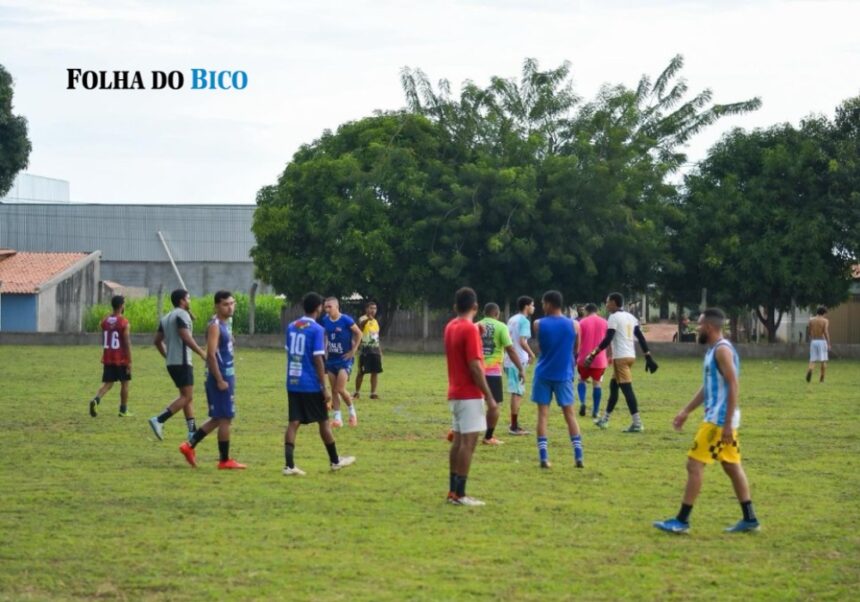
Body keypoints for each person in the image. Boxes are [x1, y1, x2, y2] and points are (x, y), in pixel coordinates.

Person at [653, 308, 760, 534]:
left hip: (718, 421)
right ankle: (750, 518)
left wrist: (727, 423)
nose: (696, 328)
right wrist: (686, 411)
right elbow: (708, 387)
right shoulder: (714, 350)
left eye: (699, 324)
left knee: (694, 465)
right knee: (731, 466)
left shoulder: (722, 350)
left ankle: (682, 521)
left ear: (709, 327)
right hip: (721, 418)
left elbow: (734, 384)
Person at [283, 292, 355, 476]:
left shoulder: (291, 326)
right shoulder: (317, 329)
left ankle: (289, 466)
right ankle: (335, 461)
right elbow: (318, 359)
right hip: (310, 384)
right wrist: (324, 388)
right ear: (318, 308)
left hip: (293, 381)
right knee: (323, 422)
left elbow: (289, 352)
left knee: (293, 422)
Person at [178, 291, 246, 469]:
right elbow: (211, 354)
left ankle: (189, 446)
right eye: (225, 304)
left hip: (226, 374)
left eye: (232, 303)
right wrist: (219, 379)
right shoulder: (215, 326)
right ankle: (224, 460)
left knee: (217, 418)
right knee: (225, 419)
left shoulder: (225, 323)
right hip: (220, 376)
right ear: (217, 306)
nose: (230, 307)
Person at [445, 287, 498, 506]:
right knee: (468, 444)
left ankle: (452, 491)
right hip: (469, 395)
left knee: (458, 442)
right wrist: (489, 397)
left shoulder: (450, 326)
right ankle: (461, 494)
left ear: (455, 307)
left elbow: (464, 333)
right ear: (475, 307)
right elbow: (475, 366)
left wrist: (477, 329)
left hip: (455, 393)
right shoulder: (470, 330)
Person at [585, 292, 658, 433]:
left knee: (627, 389)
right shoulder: (631, 317)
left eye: (607, 302)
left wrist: (593, 354)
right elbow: (641, 338)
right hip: (630, 356)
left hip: (621, 358)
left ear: (613, 302)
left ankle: (637, 423)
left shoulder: (614, 317)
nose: (606, 304)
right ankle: (605, 419)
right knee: (614, 386)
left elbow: (608, 338)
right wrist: (648, 356)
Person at [531, 290, 584, 469]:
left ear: (549, 304)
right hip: (564, 374)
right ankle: (578, 456)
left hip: (543, 373)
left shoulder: (538, 324)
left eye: (543, 303)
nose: (542, 306)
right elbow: (576, 349)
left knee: (543, 415)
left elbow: (541, 345)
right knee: (570, 415)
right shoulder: (575, 325)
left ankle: (544, 457)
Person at [149, 289, 207, 442]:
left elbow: (157, 341)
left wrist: (167, 355)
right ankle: (159, 419)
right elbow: (185, 337)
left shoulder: (167, 317)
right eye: (188, 298)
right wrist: (201, 352)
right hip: (182, 361)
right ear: (182, 300)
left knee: (186, 396)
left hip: (172, 363)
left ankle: (192, 431)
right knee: (187, 396)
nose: (190, 301)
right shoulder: (182, 315)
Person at [477, 303, 525, 446]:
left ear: (484, 313)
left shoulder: (475, 326)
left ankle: (461, 432)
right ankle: (488, 437)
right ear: (497, 314)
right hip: (492, 372)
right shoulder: (501, 327)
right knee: (494, 405)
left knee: (473, 403)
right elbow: (510, 350)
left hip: (475, 370)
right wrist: (520, 368)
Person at [88, 295, 133, 418]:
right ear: (121, 306)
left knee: (108, 383)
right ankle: (123, 410)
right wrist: (129, 361)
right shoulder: (124, 322)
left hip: (108, 357)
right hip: (121, 358)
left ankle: (96, 400)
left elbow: (104, 327)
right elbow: (127, 342)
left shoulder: (105, 321)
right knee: (125, 383)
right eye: (124, 304)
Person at [322, 297, 363, 427]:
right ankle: (338, 419)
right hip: (331, 359)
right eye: (325, 307)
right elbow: (325, 336)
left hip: (344, 359)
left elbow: (359, 333)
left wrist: (353, 351)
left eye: (329, 307)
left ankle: (352, 413)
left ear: (337, 307)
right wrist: (324, 350)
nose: (327, 309)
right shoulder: (325, 320)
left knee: (340, 389)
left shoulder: (346, 320)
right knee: (334, 390)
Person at [505, 296, 537, 435]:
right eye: (532, 305)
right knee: (517, 393)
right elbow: (522, 341)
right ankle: (514, 426)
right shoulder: (524, 321)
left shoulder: (512, 319)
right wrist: (532, 354)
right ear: (526, 306)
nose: (534, 308)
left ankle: (514, 424)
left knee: (517, 392)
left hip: (509, 359)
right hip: (517, 361)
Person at [576, 303, 608, 419]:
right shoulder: (605, 322)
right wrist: (609, 356)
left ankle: (582, 402)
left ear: (586, 311)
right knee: (597, 384)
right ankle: (595, 410)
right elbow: (608, 341)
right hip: (599, 359)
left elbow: (578, 340)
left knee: (581, 380)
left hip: (584, 358)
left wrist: (576, 354)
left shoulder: (582, 322)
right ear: (596, 311)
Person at [353, 301, 383, 400]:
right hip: (365, 350)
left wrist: (380, 351)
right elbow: (360, 326)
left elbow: (376, 337)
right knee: (361, 372)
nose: (373, 310)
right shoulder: (362, 319)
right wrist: (367, 320)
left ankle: (373, 393)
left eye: (375, 308)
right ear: (366, 309)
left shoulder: (375, 322)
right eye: (371, 308)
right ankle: (357, 392)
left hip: (375, 350)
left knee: (375, 372)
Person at [806, 306, 831, 383]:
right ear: (824, 313)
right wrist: (828, 343)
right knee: (823, 360)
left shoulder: (811, 320)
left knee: (812, 359)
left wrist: (811, 337)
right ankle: (822, 379)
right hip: (822, 341)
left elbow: (809, 331)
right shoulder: (825, 320)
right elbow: (825, 331)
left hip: (814, 341)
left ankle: (810, 369)